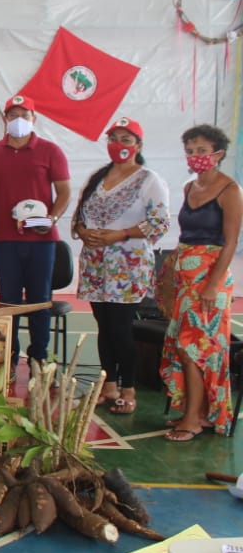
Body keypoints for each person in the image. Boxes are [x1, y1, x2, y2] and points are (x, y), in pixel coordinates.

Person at [71, 117, 170, 416]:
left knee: (120, 328)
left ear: (138, 145)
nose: (119, 145)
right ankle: (109, 385)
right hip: (95, 264)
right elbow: (79, 216)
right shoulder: (97, 177)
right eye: (114, 138)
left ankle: (129, 389)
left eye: (126, 139)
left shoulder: (149, 179)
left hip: (126, 267)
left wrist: (122, 233)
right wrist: (82, 230)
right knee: (103, 326)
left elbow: (160, 222)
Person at [0, 94, 71, 365]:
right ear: (5, 120)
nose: (19, 120)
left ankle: (39, 359)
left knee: (40, 301)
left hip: (42, 240)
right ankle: (8, 357)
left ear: (34, 119)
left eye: (25, 115)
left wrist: (51, 218)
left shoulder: (50, 151)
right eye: (13, 116)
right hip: (4, 239)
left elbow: (64, 192)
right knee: (7, 302)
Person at [160, 123, 241, 440]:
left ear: (218, 154)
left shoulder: (230, 190)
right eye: (190, 151)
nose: (195, 157)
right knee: (185, 346)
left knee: (194, 347)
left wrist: (211, 285)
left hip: (210, 279)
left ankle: (193, 419)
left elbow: (231, 242)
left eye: (202, 151)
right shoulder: (188, 188)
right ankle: (199, 412)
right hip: (185, 278)